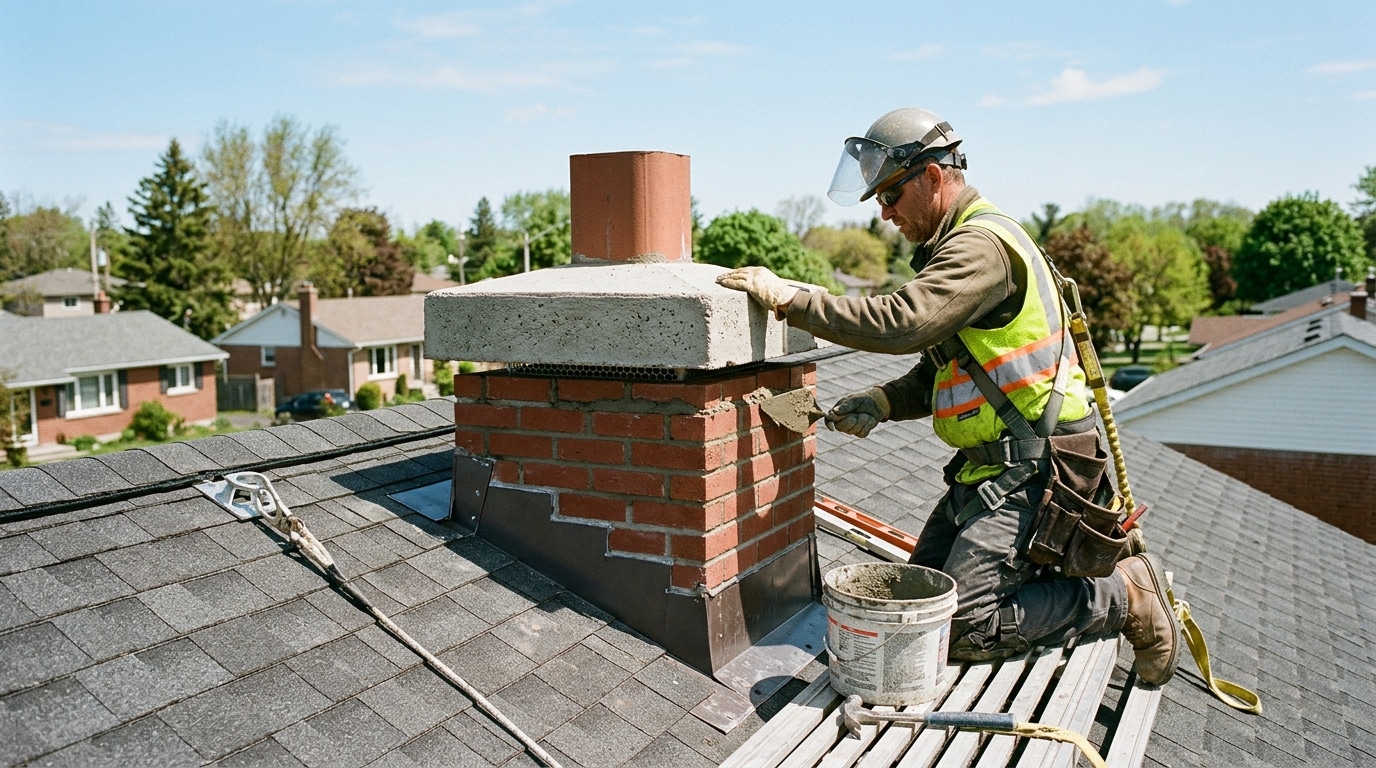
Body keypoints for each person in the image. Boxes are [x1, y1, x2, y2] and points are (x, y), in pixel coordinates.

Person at [715, 107, 1181, 685]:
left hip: (1039, 470)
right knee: (918, 610)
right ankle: (1048, 588)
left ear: (933, 178)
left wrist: (791, 298)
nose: (885, 214)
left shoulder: (980, 247)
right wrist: (886, 401)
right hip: (990, 472)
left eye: (890, 194)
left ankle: (1124, 595)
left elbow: (902, 321)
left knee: (959, 629)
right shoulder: (960, 248)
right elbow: (948, 368)